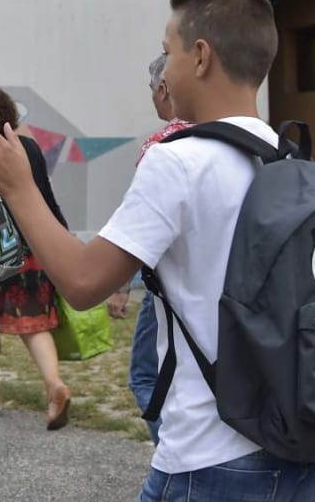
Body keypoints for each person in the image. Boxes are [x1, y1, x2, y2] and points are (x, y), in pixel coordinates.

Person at [0, 0, 315, 501]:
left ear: (200, 58)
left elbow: (83, 283)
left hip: (214, 462)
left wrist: (19, 187)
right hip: (301, 450)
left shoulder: (177, 162)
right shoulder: (289, 159)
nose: (163, 70)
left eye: (168, 52)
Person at [0, 86, 70, 430]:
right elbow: (46, 198)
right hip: (36, 249)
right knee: (34, 327)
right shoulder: (30, 148)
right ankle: (55, 385)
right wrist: (61, 237)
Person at [105, 55, 191, 444]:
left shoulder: (161, 146)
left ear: (164, 90)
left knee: (145, 376)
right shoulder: (241, 138)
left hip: (167, 282)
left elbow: (139, 227)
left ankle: (174, 454)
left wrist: (121, 286)